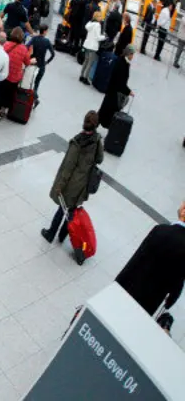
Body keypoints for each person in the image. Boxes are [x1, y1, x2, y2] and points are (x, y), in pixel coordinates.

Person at [41, 111, 104, 249]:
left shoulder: (77, 143)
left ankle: (51, 234)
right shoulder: (97, 140)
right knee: (72, 211)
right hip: (84, 184)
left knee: (62, 209)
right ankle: (62, 236)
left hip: (71, 183)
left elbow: (68, 168)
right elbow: (99, 159)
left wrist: (60, 186)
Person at [114, 200, 185, 316]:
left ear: (183, 211)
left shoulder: (160, 230)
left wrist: (116, 284)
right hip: (149, 302)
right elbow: (178, 281)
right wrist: (171, 301)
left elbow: (135, 259)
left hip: (128, 288)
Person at [0, 28, 35, 122]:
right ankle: (4, 110)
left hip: (3, 75)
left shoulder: (6, 44)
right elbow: (27, 62)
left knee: (0, 93)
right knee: (9, 94)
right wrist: (31, 56)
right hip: (15, 77)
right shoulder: (23, 49)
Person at [98, 46, 135, 129]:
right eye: (132, 54)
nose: (133, 56)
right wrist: (128, 91)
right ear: (128, 54)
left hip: (113, 91)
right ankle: (102, 124)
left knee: (104, 109)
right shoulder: (122, 64)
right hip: (114, 92)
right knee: (108, 110)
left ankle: (98, 123)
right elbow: (120, 82)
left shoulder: (123, 62)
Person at [28, 23, 55, 102]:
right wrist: (47, 62)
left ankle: (30, 98)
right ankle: (35, 99)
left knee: (30, 81)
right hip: (41, 65)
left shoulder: (34, 38)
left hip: (33, 63)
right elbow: (53, 54)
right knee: (37, 83)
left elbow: (26, 46)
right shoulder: (47, 41)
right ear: (45, 31)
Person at [80, 15, 104, 84]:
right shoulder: (97, 25)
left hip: (87, 45)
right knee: (90, 63)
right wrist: (104, 37)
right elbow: (98, 37)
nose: (101, 18)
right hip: (92, 47)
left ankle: (81, 76)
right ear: (98, 17)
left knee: (86, 61)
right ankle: (85, 78)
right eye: (100, 17)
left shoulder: (89, 23)